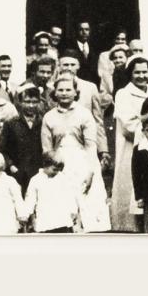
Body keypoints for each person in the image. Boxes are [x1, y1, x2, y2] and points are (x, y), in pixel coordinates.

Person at [42, 73, 111, 232]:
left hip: (83, 164)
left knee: (88, 211)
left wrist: (90, 173)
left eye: (68, 89)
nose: (64, 93)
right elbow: (47, 149)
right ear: (55, 93)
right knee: (63, 212)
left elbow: (90, 147)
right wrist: (52, 172)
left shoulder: (84, 114)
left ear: (75, 92)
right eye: (60, 90)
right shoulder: (49, 117)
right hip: (59, 166)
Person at [111, 55, 148, 231]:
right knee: (131, 186)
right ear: (131, 74)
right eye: (137, 72)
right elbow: (128, 126)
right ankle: (128, 228)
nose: (142, 76)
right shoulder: (123, 94)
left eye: (145, 72)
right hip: (132, 147)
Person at [0, 87, 44, 192]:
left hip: (39, 173)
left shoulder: (44, 122)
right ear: (20, 102)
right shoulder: (11, 124)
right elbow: (1, 149)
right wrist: (11, 166)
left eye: (34, 102)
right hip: (17, 173)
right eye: (27, 102)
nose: (31, 106)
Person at [23, 152, 78, 233]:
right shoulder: (36, 180)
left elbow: (69, 195)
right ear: (46, 165)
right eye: (54, 170)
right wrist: (27, 215)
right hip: (45, 219)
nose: (56, 172)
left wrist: (73, 210)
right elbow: (30, 199)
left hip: (62, 218)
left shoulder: (63, 178)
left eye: (58, 170)